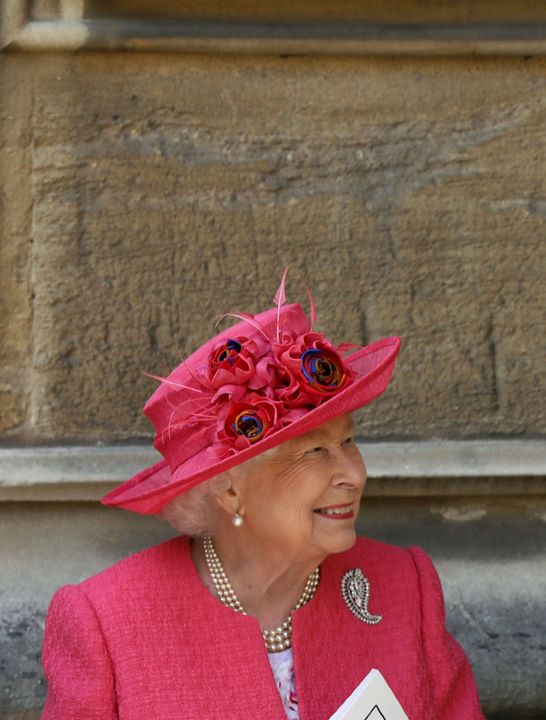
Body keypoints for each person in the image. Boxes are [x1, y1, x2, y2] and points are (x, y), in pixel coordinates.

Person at [41, 276, 485, 719]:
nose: (354, 474)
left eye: (349, 441)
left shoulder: (405, 586)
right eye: (315, 451)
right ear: (230, 488)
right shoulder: (106, 622)